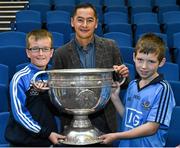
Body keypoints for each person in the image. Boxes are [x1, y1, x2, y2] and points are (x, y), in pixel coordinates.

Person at [52, 2, 129, 144]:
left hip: (104, 119)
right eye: (80, 20)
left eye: (90, 20)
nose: (85, 25)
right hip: (72, 123)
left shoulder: (110, 46)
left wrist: (122, 74)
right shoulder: (60, 53)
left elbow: (122, 83)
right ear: (72, 22)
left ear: (96, 23)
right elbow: (58, 91)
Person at [99, 33, 176, 147]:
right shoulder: (133, 84)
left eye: (151, 61)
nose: (144, 66)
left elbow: (152, 128)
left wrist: (117, 136)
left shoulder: (163, 89)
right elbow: (128, 117)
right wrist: (115, 98)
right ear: (134, 57)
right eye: (140, 60)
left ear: (161, 62)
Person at [5, 29, 65, 146]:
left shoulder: (54, 77)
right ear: (28, 52)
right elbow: (19, 114)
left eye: (45, 49)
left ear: (51, 52)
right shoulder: (19, 78)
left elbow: (58, 109)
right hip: (23, 143)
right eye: (35, 49)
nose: (41, 53)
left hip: (47, 141)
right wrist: (45, 133)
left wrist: (45, 94)